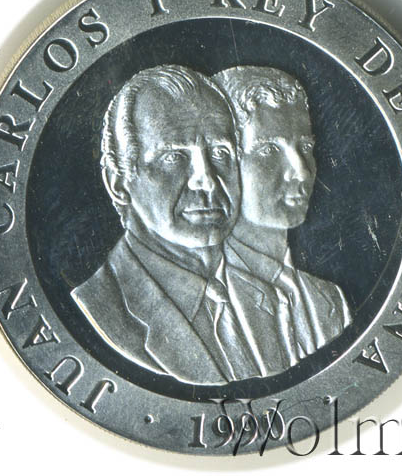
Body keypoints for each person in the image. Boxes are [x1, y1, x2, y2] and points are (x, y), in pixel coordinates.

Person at [71, 65, 280, 385]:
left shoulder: (270, 299)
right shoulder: (99, 305)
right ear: (119, 184)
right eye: (174, 157)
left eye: (220, 153)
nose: (206, 180)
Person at [213, 66, 351, 366]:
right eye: (269, 150)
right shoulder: (205, 303)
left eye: (305, 146)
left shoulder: (330, 299)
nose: (302, 171)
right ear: (222, 162)